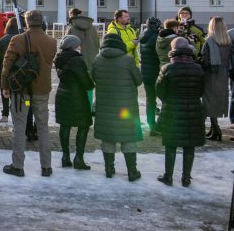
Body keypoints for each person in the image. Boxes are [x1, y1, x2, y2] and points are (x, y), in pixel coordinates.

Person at [0, 10, 57, 178]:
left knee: (19, 126)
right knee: (43, 127)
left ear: (26, 22)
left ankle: (18, 165)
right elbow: (47, 61)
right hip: (41, 91)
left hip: (22, 91)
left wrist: (5, 85)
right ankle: (46, 166)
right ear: (42, 22)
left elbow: (6, 64)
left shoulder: (17, 40)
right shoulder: (52, 41)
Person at [92, 33, 143, 181]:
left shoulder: (97, 60)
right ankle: (132, 172)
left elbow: (93, 77)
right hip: (125, 106)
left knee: (107, 137)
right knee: (128, 138)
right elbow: (139, 80)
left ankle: (109, 169)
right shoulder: (128, 60)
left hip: (104, 105)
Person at [155, 37, 205, 186]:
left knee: (171, 145)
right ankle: (186, 177)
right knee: (189, 146)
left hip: (172, 110)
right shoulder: (198, 69)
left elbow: (159, 90)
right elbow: (201, 90)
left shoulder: (168, 68)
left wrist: (168, 100)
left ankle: (168, 176)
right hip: (193, 110)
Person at [54, 34, 94, 170]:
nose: (80, 47)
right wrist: (91, 84)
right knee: (83, 125)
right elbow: (85, 82)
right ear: (73, 46)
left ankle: (65, 157)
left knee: (65, 126)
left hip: (62, 94)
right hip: (77, 97)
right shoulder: (76, 60)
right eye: (78, 45)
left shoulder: (59, 59)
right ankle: (79, 158)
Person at [200, 17, 232, 141]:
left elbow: (205, 60)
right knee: (217, 100)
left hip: (211, 74)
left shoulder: (209, 40)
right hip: (224, 74)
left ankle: (216, 129)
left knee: (209, 101)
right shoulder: (227, 40)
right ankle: (214, 128)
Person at [138, 17, 162, 134]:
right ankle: (159, 125)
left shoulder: (143, 36)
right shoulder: (156, 37)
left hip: (146, 73)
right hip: (156, 72)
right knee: (164, 99)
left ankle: (151, 124)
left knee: (150, 100)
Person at [0, 16, 19, 124]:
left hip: (3, 70)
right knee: (17, 93)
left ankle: (5, 114)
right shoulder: (21, 38)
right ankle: (16, 113)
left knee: (5, 91)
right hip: (18, 71)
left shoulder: (2, 40)